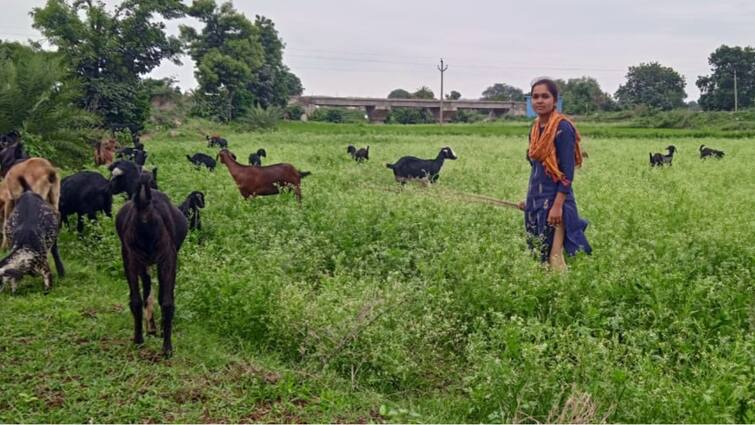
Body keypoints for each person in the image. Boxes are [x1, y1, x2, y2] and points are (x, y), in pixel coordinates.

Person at [518, 78, 592, 270]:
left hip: (556, 201)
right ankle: (548, 293)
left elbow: (567, 173)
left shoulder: (562, 128)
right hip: (537, 200)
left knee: (555, 257)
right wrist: (529, 201)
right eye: (535, 97)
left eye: (545, 96)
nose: (539, 101)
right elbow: (537, 171)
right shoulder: (535, 129)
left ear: (555, 100)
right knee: (539, 255)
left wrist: (557, 206)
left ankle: (564, 297)